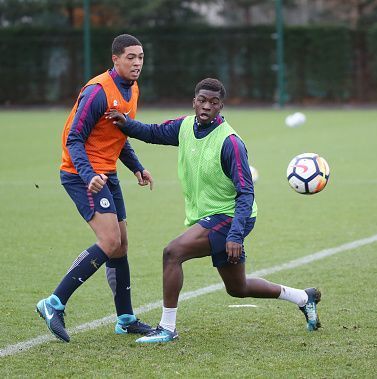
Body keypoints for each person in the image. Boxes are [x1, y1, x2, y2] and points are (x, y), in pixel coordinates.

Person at [107, 78, 321, 343]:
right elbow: (152, 132)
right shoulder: (185, 126)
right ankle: (303, 297)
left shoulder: (230, 142)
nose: (207, 106)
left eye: (213, 102)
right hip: (213, 217)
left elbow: (246, 192)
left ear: (221, 106)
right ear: (194, 101)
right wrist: (126, 124)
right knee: (238, 288)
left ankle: (167, 328)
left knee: (172, 253)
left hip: (231, 217)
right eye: (202, 100)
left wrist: (235, 234)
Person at [35, 34, 154, 343]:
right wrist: (89, 175)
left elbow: (118, 135)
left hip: (107, 172)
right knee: (110, 240)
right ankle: (53, 303)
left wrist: (137, 166)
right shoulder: (98, 91)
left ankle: (125, 319)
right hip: (79, 174)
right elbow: (74, 138)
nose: (137, 62)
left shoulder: (132, 89)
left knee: (122, 243)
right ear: (115, 59)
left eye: (140, 57)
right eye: (131, 57)